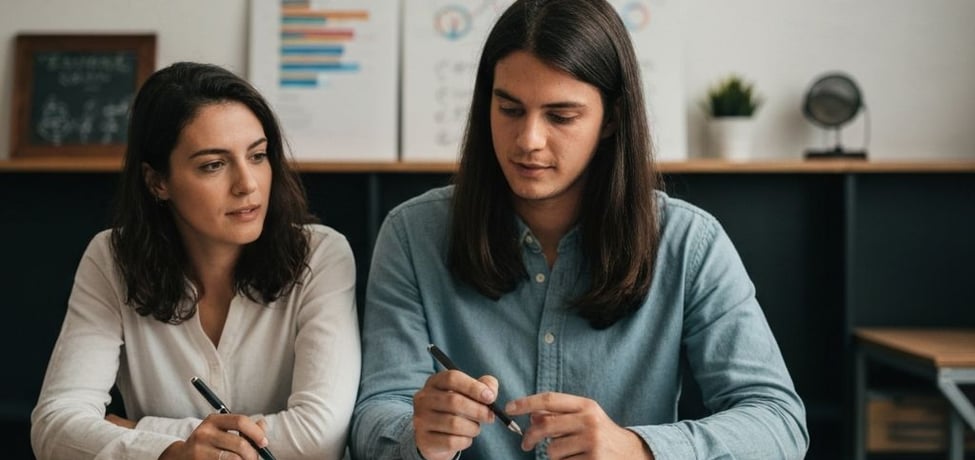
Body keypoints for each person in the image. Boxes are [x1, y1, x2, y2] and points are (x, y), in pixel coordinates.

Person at [350, 1, 808, 459]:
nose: (528, 140)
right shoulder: (413, 234)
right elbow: (375, 415)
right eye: (509, 109)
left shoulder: (689, 243)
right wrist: (419, 436)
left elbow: (779, 423)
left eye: (561, 116)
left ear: (611, 118)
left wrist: (638, 449)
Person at [31, 62, 360, 460]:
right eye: (213, 165)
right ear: (158, 182)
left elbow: (319, 438)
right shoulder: (112, 258)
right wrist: (174, 452)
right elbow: (54, 427)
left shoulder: (321, 254)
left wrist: (140, 432)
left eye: (258, 156)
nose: (247, 184)